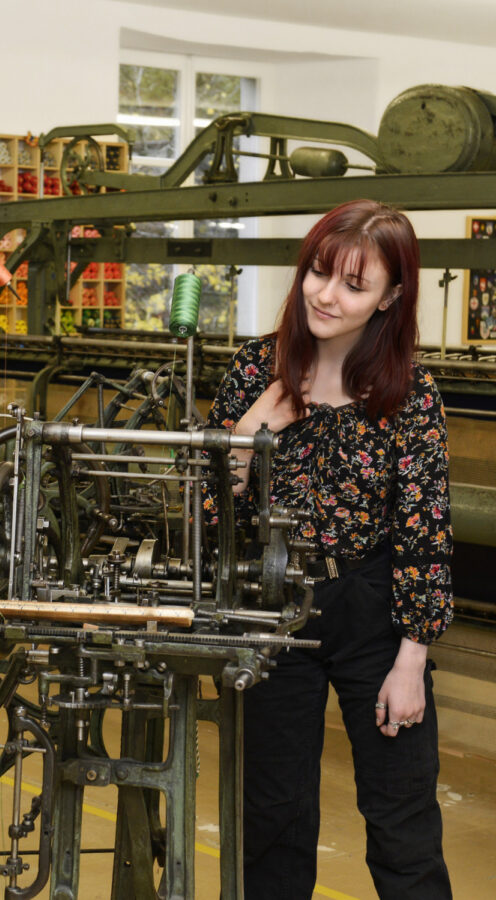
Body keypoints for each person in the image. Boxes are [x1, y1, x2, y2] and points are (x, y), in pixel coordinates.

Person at [206, 199, 452, 899]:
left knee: (403, 820)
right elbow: (201, 506)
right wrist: (255, 427)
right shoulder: (258, 368)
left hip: (374, 610)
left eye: (353, 284)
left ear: (390, 298)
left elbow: (425, 534)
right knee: (273, 819)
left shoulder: (411, 395)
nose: (326, 294)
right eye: (319, 272)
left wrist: (412, 660)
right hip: (271, 607)